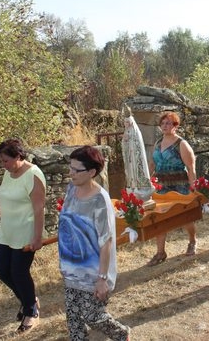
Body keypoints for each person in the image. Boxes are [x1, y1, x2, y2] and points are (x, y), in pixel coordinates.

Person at [58, 146, 130, 341]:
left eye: (76, 170)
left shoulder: (100, 200)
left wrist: (102, 278)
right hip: (71, 267)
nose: (70, 173)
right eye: (70, 167)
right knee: (74, 320)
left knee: (93, 316)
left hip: (92, 272)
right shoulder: (71, 189)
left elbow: (106, 241)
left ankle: (121, 334)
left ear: (91, 172)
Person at [0, 138, 46, 333]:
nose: (3, 165)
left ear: (18, 156)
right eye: (1, 161)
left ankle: (31, 312)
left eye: (6, 161)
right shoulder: (9, 173)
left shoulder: (34, 175)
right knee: (0, 268)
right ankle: (30, 299)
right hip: (8, 231)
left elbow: (39, 210)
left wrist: (37, 237)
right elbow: (2, 198)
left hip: (26, 232)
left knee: (19, 272)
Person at [146, 112, 198, 266]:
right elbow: (152, 164)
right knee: (160, 218)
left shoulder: (181, 143)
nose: (165, 126)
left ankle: (192, 241)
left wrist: (193, 186)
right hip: (161, 185)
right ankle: (160, 252)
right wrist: (147, 181)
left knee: (185, 216)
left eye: (169, 123)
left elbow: (190, 166)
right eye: (163, 123)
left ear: (176, 126)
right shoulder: (157, 143)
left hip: (179, 184)